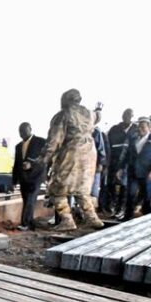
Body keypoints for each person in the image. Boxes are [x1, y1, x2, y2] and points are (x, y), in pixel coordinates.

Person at [41, 88, 103, 230]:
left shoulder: (63, 115)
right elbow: (98, 116)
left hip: (72, 152)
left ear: (65, 100)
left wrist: (43, 158)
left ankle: (67, 220)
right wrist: (98, 109)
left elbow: (54, 140)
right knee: (82, 189)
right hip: (89, 152)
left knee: (57, 188)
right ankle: (93, 218)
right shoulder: (89, 113)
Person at [12, 122, 47, 230]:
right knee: (26, 199)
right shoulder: (18, 146)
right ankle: (30, 222)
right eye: (20, 131)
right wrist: (14, 181)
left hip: (36, 176)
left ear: (30, 129)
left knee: (31, 199)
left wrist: (32, 164)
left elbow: (45, 159)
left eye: (24, 130)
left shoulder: (41, 142)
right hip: (23, 178)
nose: (21, 133)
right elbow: (16, 164)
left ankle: (25, 223)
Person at [106, 108, 138, 217]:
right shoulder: (114, 129)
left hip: (128, 163)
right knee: (111, 185)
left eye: (130, 116)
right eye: (126, 115)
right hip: (113, 161)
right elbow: (108, 146)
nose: (128, 118)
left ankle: (121, 208)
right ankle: (114, 206)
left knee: (124, 186)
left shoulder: (136, 129)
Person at [120, 117, 151, 220]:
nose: (140, 129)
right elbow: (127, 155)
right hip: (133, 171)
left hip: (146, 173)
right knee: (130, 194)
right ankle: (127, 217)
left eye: (143, 127)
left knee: (147, 196)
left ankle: (146, 219)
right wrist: (121, 168)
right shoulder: (134, 138)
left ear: (149, 128)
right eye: (139, 127)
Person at [91, 105, 108, 202]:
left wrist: (101, 163)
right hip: (83, 164)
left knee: (93, 191)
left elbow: (101, 149)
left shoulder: (96, 131)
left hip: (94, 164)